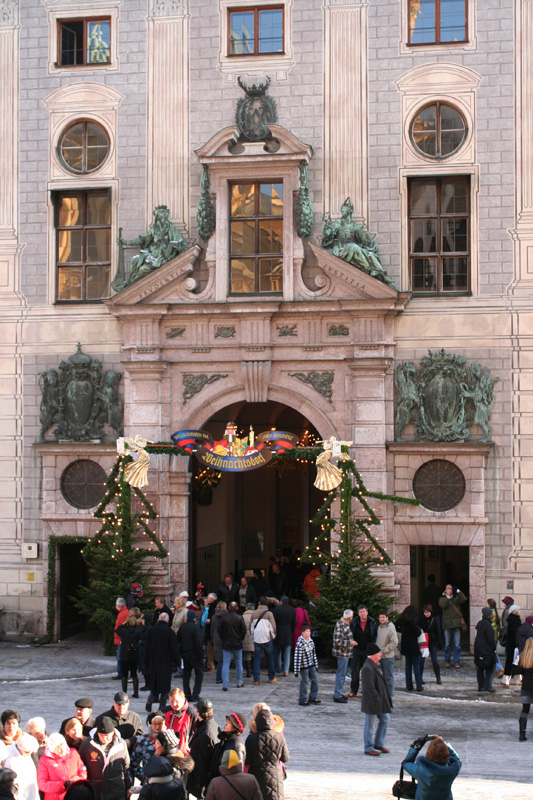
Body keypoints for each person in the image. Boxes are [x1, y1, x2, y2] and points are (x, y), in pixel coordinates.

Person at [78, 719, 130, 800]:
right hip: (95, 792)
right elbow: (80, 765)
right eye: (101, 735)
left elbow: (126, 767)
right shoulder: (87, 744)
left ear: (113, 733)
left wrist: (128, 787)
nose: (104, 738)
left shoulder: (121, 744)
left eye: (107, 735)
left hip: (116, 792)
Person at [245, 708, 289, 800]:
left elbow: (247, 760)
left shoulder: (251, 738)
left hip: (256, 777)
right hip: (275, 778)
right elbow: (285, 758)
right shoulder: (279, 737)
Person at [403, 735, 462, 799]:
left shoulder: (420, 770)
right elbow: (457, 760)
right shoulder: (452, 771)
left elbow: (406, 763)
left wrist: (416, 747)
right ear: (446, 753)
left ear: (428, 753)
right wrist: (444, 744)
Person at [360, 643, 392, 757]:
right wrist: (377, 697)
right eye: (378, 653)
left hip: (378, 701)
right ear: (373, 654)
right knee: (370, 725)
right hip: (372, 702)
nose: (380, 655)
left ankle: (378, 743)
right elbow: (369, 686)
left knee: (385, 719)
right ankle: (368, 747)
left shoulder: (374, 665)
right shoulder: (368, 667)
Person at [145, 612, 181, 711]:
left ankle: (150, 699)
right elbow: (174, 649)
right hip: (165, 662)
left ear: (158, 619)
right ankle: (162, 707)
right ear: (168, 621)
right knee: (165, 687)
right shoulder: (169, 632)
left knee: (154, 684)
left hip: (153, 661)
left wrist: (146, 662)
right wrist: (178, 662)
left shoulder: (151, 631)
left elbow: (147, 648)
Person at [37, 734, 86, 800]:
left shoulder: (74, 753)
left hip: (74, 795)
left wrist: (75, 780)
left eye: (63, 747)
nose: (62, 751)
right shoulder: (45, 761)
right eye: (58, 749)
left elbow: (82, 771)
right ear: (52, 749)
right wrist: (63, 785)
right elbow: (42, 784)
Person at [188, 699, 219, 800]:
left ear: (199, 713)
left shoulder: (206, 733)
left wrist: (200, 786)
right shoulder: (212, 725)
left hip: (203, 780)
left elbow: (203, 760)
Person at [208, 714, 247, 783]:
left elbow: (237, 771)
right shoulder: (226, 741)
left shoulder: (236, 745)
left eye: (228, 723)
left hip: (226, 785)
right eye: (226, 722)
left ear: (235, 727)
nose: (225, 725)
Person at [130, 711, 166, 783]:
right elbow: (134, 762)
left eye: (160, 724)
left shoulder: (169, 738)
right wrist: (143, 776)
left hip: (167, 780)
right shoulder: (142, 740)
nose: (157, 727)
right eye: (154, 724)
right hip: (148, 782)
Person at [349, 606, 377, 698]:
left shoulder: (372, 622)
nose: (362, 613)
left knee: (368, 671)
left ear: (367, 612)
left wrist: (372, 646)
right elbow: (350, 634)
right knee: (355, 671)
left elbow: (375, 636)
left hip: (367, 650)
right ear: (358, 613)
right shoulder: (354, 622)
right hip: (357, 649)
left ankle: (367, 690)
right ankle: (353, 690)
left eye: (364, 611)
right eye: (360, 612)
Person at [177, 609, 204, 702]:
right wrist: (201, 655)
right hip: (195, 655)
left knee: (186, 675)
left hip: (185, 654)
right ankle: (195, 694)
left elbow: (178, 641)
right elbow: (198, 643)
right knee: (199, 674)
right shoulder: (196, 628)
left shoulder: (182, 627)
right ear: (194, 618)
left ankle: (187, 694)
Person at [3, 733, 39, 800]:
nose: (29, 754)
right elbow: (13, 785)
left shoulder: (25, 755)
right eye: (27, 752)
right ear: (19, 748)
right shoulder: (11, 760)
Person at [439, 585, 467, 669]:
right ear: (445, 590)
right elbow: (443, 605)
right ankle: (447, 661)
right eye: (447, 588)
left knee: (457, 644)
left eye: (450, 588)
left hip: (456, 624)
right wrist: (447, 597)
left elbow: (464, 599)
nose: (449, 590)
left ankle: (456, 662)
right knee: (447, 644)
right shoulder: (442, 599)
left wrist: (458, 591)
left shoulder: (456, 599)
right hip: (447, 624)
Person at [396, 605, 423, 692]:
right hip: (413, 644)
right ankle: (419, 686)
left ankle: (409, 685)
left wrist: (402, 631)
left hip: (405, 643)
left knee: (408, 665)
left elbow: (396, 626)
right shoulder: (413, 622)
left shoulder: (402, 620)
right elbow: (418, 633)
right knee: (416, 665)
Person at [220, 601, 246, 691]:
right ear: (237, 608)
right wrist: (240, 639)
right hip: (237, 643)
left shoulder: (224, 618)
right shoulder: (240, 618)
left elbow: (220, 630)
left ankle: (225, 684)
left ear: (229, 608)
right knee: (238, 663)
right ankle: (239, 682)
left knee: (226, 663)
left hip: (226, 643)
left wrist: (223, 639)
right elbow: (244, 631)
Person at [251, 598, 277, 685]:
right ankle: (271, 677)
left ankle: (256, 679)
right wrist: (273, 636)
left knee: (256, 658)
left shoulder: (253, 613)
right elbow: (273, 626)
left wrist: (252, 636)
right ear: (267, 603)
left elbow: (251, 627)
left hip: (257, 638)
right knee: (270, 658)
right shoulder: (269, 614)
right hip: (267, 638)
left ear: (259, 603)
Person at [115, 615, 143, 698]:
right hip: (134, 655)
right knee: (134, 674)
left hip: (125, 655)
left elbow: (117, 630)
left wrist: (123, 624)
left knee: (124, 674)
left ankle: (124, 692)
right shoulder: (138, 632)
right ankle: (136, 692)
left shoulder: (123, 632)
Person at [163, 688, 198, 754]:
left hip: (184, 753)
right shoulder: (165, 711)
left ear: (183, 699)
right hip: (167, 751)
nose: (174, 704)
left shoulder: (192, 714)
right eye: (171, 702)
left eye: (177, 701)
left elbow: (197, 734)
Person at [332, 610, 356, 703]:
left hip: (344, 653)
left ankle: (339, 692)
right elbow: (338, 641)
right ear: (350, 617)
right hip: (342, 653)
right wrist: (350, 642)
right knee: (341, 674)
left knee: (342, 674)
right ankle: (337, 694)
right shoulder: (341, 625)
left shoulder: (344, 624)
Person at [293, 623, 320, 706]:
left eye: (309, 631)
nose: (309, 633)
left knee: (315, 681)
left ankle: (313, 697)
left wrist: (316, 664)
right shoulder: (300, 644)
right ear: (303, 633)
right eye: (307, 631)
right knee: (305, 683)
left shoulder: (311, 641)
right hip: (303, 666)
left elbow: (314, 654)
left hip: (311, 665)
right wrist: (296, 671)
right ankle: (303, 699)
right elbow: (297, 658)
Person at [474, 607, 497, 693]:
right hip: (486, 651)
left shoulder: (480, 624)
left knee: (480, 669)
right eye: (491, 614)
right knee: (490, 669)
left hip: (479, 650)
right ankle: (487, 686)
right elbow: (491, 639)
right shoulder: (488, 626)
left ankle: (481, 686)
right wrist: (493, 648)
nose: (492, 616)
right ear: (488, 615)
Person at [376, 611, 398, 699]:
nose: (382, 619)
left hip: (387, 657)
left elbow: (395, 642)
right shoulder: (379, 627)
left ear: (387, 618)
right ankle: (382, 694)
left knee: (388, 677)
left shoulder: (390, 627)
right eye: (380, 617)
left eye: (383, 617)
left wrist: (385, 650)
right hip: (379, 656)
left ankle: (390, 695)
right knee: (381, 677)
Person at [272, 596, 296, 677]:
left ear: (281, 602)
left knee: (277, 652)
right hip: (288, 632)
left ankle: (278, 668)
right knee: (287, 653)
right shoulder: (292, 610)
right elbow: (294, 623)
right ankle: (286, 670)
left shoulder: (277, 610)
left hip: (279, 632)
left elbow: (274, 622)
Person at [419, 605, 441, 686]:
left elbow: (437, 631)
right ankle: (420, 678)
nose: (427, 614)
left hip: (432, 641)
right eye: (425, 612)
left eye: (428, 612)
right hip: (423, 641)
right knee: (422, 660)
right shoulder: (420, 619)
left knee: (434, 660)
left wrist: (439, 642)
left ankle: (438, 677)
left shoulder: (434, 619)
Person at [502, 604, 522, 686]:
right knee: (512, 662)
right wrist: (517, 644)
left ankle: (517, 679)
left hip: (512, 644)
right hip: (513, 645)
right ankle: (506, 680)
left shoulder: (513, 620)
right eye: (518, 610)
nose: (520, 612)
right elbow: (515, 634)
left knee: (515, 661)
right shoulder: (514, 621)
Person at [518, 637, 533, 740]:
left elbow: (520, 671)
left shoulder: (523, 656)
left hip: (526, 685)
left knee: (525, 710)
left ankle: (522, 733)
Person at [421, 575, 443, 643]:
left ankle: (428, 641)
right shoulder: (439, 589)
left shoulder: (426, 589)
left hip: (428, 611)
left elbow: (423, 600)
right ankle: (438, 641)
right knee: (438, 627)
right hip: (437, 610)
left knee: (428, 627)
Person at [487, 598, 504, 677]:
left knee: (492, 653)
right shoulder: (497, 614)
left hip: (489, 636)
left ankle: (499, 667)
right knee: (492, 652)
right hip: (495, 636)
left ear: (489, 604)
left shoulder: (488, 613)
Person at [211, 601, 227, 685]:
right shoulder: (226, 617)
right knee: (224, 660)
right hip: (224, 639)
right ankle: (220, 677)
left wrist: (213, 639)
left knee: (220, 659)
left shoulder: (214, 617)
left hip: (216, 639)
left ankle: (219, 677)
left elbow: (212, 630)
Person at [113, 599, 129, 680]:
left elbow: (123, 627)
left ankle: (121, 673)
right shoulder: (124, 613)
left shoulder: (122, 614)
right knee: (120, 656)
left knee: (120, 657)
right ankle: (121, 673)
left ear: (118, 606)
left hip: (121, 639)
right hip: (121, 639)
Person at [242, 603, 256, 679]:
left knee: (247, 654)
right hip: (253, 636)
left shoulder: (242, 616)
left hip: (245, 637)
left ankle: (248, 671)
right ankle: (254, 670)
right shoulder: (255, 616)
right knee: (254, 654)